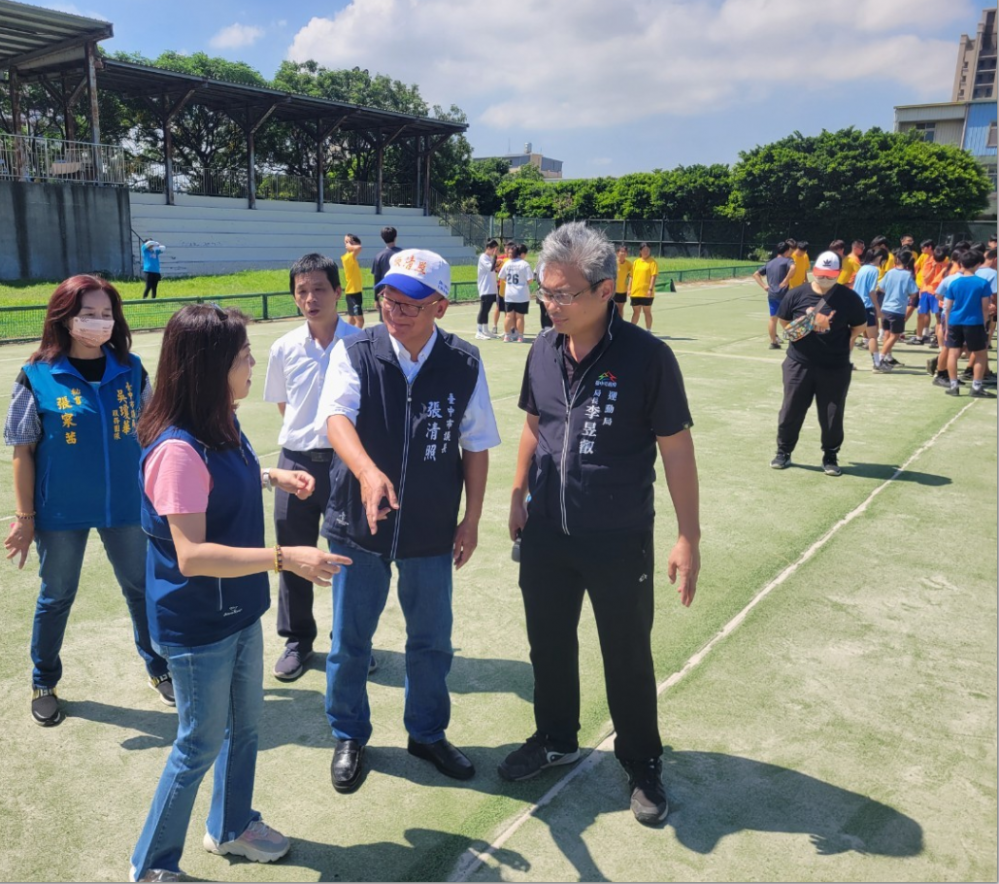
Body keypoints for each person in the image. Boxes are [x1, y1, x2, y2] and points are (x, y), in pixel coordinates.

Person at [130, 304, 350, 883]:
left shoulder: (220, 422)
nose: (253, 364)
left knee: (245, 727)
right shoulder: (177, 449)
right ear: (210, 368)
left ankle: (231, 826)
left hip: (238, 610)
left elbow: (218, 482)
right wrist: (286, 557)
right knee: (197, 745)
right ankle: (151, 865)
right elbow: (193, 555)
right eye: (244, 356)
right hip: (197, 623)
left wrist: (272, 476)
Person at [502, 222, 700, 827]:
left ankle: (641, 759)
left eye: (564, 294)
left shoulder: (647, 357)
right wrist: (517, 494)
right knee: (548, 643)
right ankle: (556, 736)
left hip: (618, 537)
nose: (551, 304)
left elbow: (676, 447)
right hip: (546, 532)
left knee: (626, 651)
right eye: (546, 292)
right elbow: (534, 425)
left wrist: (688, 536)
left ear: (606, 290)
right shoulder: (543, 348)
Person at [319, 249, 500, 794]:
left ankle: (426, 732)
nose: (394, 312)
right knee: (350, 639)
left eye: (410, 305)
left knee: (432, 640)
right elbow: (336, 419)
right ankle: (349, 733)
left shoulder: (464, 363)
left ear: (440, 306)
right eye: (388, 300)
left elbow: (476, 444)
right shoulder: (356, 351)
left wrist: (471, 519)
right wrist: (368, 472)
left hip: (431, 525)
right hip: (359, 522)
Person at [3, 274, 171, 727]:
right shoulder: (36, 375)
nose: (99, 321)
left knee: (141, 589)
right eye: (88, 314)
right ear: (64, 318)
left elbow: (155, 432)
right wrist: (25, 517)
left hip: (127, 507)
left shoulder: (132, 370)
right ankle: (44, 681)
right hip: (60, 511)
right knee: (56, 595)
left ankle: (159, 668)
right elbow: (22, 451)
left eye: (106, 313)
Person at [263, 254, 363, 681]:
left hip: (347, 464)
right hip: (296, 463)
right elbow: (284, 405)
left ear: (339, 292)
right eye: (301, 291)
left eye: (319, 289)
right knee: (291, 555)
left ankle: (350, 642)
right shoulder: (284, 347)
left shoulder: (361, 344)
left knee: (350, 556)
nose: (310, 298)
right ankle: (297, 640)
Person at [771, 251, 867, 476]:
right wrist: (807, 325)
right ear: (814, 271)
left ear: (838, 274)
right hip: (798, 363)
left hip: (835, 366)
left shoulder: (849, 298)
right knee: (791, 409)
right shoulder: (797, 294)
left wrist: (838, 338)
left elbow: (859, 327)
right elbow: (784, 320)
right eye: (821, 274)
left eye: (830, 275)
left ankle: (830, 455)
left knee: (832, 413)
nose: (824, 279)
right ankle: (783, 451)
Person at [942, 251, 994, 398]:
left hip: (954, 321)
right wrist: (984, 323)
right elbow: (985, 307)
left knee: (953, 354)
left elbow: (947, 307)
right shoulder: (982, 283)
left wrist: (947, 326)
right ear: (977, 264)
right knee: (980, 355)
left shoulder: (954, 283)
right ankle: (976, 387)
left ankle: (953, 386)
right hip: (974, 322)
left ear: (962, 264)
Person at [876, 250, 918, 371]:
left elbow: (881, 288)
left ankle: (887, 358)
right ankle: (880, 359)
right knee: (895, 336)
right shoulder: (908, 275)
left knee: (887, 334)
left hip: (885, 307)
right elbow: (914, 294)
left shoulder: (890, 272)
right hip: (897, 309)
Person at [752, 241, 795, 349]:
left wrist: (764, 286)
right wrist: (786, 280)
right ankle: (795, 339)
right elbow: (793, 268)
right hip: (784, 294)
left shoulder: (770, 263)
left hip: (772, 294)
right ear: (787, 251)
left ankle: (773, 342)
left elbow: (756, 274)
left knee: (773, 319)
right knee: (788, 318)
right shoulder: (788, 260)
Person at [851, 249, 884, 370]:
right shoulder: (874, 270)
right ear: (879, 257)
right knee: (872, 336)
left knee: (853, 335)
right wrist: (878, 308)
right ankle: (877, 364)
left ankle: (846, 362)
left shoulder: (862, 268)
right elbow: (871, 291)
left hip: (855, 305)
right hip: (866, 306)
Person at [499, 243, 534, 342]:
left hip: (509, 294)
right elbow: (530, 280)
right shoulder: (524, 264)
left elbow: (501, 276)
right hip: (521, 294)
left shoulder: (507, 263)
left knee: (508, 316)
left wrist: (509, 283)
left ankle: (507, 336)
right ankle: (520, 337)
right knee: (520, 317)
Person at [371, 226, 401, 323]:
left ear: (382, 238)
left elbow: (377, 279)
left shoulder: (379, 256)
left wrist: (376, 299)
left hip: (386, 295)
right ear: (395, 237)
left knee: (386, 323)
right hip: (402, 294)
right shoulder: (403, 254)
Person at [629, 242, 659, 331]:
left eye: (648, 250)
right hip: (635, 292)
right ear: (640, 251)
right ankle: (631, 331)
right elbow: (631, 276)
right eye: (644, 250)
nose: (646, 252)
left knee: (647, 312)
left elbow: (653, 276)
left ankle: (648, 331)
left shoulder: (652, 262)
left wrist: (650, 289)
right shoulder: (636, 262)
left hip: (646, 293)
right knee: (636, 312)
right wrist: (629, 288)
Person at [475, 239, 500, 340]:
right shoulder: (483, 257)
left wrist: (498, 263)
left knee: (487, 310)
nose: (495, 251)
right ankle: (479, 331)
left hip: (491, 288)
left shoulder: (489, 258)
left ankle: (485, 330)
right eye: (494, 249)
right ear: (489, 248)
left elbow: (495, 269)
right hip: (485, 288)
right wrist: (495, 257)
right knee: (483, 310)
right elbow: (491, 268)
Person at [493, 241, 516, 337]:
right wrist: (495, 260)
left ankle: (510, 328)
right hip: (501, 286)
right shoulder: (501, 259)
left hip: (511, 288)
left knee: (509, 309)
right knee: (498, 307)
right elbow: (495, 269)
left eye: (509, 247)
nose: (507, 249)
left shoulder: (514, 260)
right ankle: (494, 326)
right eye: (506, 247)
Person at [341, 234, 364, 328]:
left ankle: (344, 335)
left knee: (352, 320)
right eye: (346, 242)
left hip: (356, 292)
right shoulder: (347, 257)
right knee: (360, 321)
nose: (347, 244)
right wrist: (350, 245)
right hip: (352, 293)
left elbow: (358, 246)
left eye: (350, 242)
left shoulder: (351, 257)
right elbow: (359, 247)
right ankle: (357, 336)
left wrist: (351, 244)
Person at [614, 244, 633, 318]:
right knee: (613, 308)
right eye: (621, 251)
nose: (623, 253)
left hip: (623, 290)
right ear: (617, 253)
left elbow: (633, 274)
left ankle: (620, 322)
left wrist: (629, 288)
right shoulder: (613, 263)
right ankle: (612, 322)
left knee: (621, 308)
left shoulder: (628, 264)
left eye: (625, 252)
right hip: (613, 290)